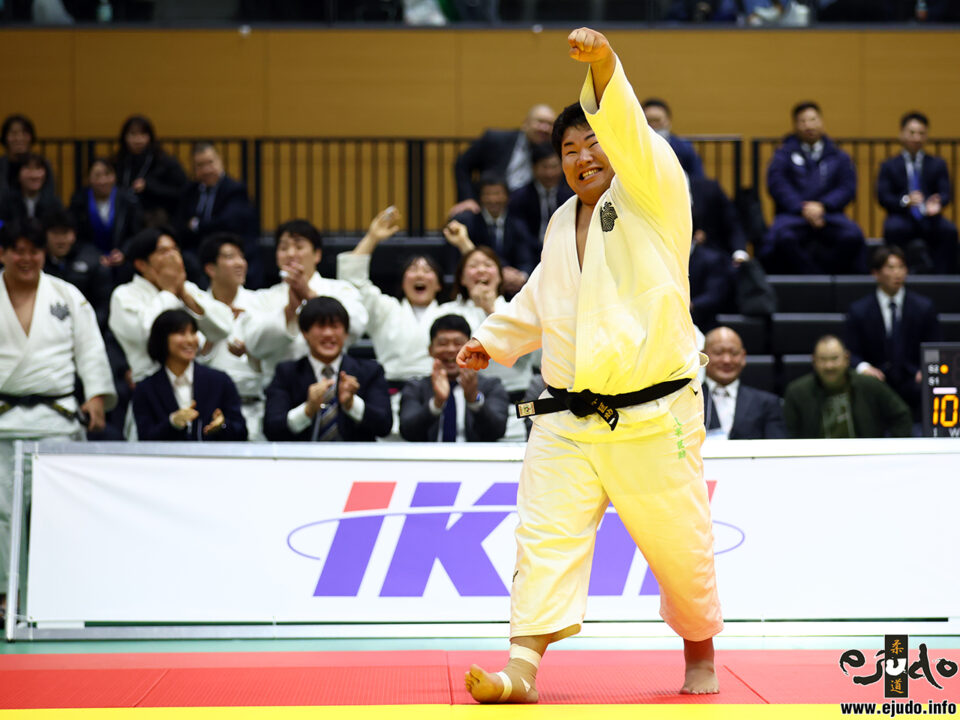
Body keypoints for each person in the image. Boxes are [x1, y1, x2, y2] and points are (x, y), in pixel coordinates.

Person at [457, 28, 722, 702]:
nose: (581, 157)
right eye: (568, 150)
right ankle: (521, 668)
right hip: (568, 415)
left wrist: (603, 66)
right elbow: (543, 296)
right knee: (543, 535)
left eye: (592, 142)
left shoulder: (653, 192)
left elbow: (628, 129)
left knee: (679, 546)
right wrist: (494, 340)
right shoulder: (558, 223)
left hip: (655, 415)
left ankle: (699, 651)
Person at [0, 220, 116, 610]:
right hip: (3, 421)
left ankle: (55, 593)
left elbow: (91, 350)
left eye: (34, 251)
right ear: (2, 254)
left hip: (56, 420)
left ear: (44, 254)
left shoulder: (67, 295)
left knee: (56, 511)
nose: (26, 258)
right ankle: (7, 594)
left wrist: (96, 396)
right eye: (18, 250)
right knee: (1, 515)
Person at [245, 219, 368, 381]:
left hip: (332, 382)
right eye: (283, 248)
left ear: (317, 254)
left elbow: (357, 327)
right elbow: (254, 346)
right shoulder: (262, 298)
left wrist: (310, 295)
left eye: (299, 247)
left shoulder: (341, 289)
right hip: (279, 388)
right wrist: (289, 311)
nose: (290, 254)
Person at [108, 227, 234, 385]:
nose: (173, 256)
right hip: (149, 384)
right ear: (141, 264)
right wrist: (168, 292)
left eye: (175, 249)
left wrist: (185, 296)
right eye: (163, 251)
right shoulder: (124, 295)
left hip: (193, 382)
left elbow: (224, 328)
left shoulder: (187, 289)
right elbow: (148, 334)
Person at [440, 244, 536, 441]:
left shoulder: (517, 309)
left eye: (488, 265)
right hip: (468, 406)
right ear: (462, 278)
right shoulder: (447, 312)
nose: (481, 270)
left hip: (518, 405)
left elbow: (528, 352)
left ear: (500, 276)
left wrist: (490, 310)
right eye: (473, 266)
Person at [263, 296, 392, 442]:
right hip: (302, 455)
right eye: (320, 326)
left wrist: (352, 404)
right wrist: (307, 410)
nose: (328, 333)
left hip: (355, 456)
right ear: (304, 332)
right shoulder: (286, 373)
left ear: (346, 333)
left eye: (335, 326)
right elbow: (271, 429)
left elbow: (384, 426)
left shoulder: (370, 371)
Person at [759, 102, 865, 274]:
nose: (808, 125)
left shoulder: (839, 155)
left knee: (852, 236)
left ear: (822, 122)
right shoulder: (782, 154)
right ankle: (812, 278)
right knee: (782, 239)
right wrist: (803, 208)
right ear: (795, 125)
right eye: (803, 121)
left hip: (830, 214)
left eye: (813, 120)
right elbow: (777, 185)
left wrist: (823, 206)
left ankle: (827, 277)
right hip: (793, 215)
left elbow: (847, 187)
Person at [844, 246, 940, 418]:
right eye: (891, 267)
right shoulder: (859, 310)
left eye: (901, 267)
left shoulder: (924, 308)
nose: (897, 273)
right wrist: (864, 368)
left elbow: (935, 346)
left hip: (913, 381)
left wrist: (926, 369)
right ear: (876, 273)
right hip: (876, 380)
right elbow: (850, 352)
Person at [133, 309, 247, 441]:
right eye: (181, 333)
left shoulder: (220, 381)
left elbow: (242, 432)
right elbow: (145, 438)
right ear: (162, 338)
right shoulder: (146, 389)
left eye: (193, 332)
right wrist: (172, 423)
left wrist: (223, 426)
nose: (190, 340)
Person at [198, 233, 270, 441]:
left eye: (241, 256)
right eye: (230, 257)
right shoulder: (198, 305)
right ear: (210, 269)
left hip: (254, 405)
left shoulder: (260, 303)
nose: (240, 263)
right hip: (209, 406)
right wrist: (217, 325)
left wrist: (251, 349)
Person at [399, 314, 509, 442]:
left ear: (471, 349)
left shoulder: (491, 386)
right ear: (430, 350)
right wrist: (436, 404)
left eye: (458, 343)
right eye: (442, 343)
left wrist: (474, 399)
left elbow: (498, 430)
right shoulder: (415, 387)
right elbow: (407, 432)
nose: (451, 350)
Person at [783, 335, 912, 438]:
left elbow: (902, 415)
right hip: (816, 459)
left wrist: (886, 450)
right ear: (814, 361)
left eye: (834, 358)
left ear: (846, 358)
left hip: (864, 458)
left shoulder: (869, 385)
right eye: (823, 359)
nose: (829, 366)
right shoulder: (797, 392)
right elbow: (788, 434)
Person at [877, 112, 959, 274]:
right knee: (893, 229)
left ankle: (943, 278)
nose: (916, 138)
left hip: (930, 217)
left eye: (921, 133)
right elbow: (883, 196)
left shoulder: (937, 164)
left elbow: (945, 193)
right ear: (901, 134)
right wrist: (905, 201)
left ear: (926, 136)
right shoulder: (889, 165)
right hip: (901, 215)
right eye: (912, 133)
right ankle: (897, 273)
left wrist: (937, 202)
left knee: (949, 231)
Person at [174, 142, 258, 284]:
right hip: (197, 253)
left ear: (220, 161)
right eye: (200, 165)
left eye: (210, 162)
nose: (206, 170)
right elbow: (180, 225)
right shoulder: (189, 191)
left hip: (228, 248)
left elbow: (227, 224)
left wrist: (197, 225)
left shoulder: (235, 189)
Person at [452, 104, 557, 216]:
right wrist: (467, 199)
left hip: (526, 212)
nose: (545, 128)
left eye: (550, 124)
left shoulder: (553, 151)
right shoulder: (495, 139)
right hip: (489, 206)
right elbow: (462, 164)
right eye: (540, 122)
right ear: (525, 123)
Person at [451, 174, 538, 296]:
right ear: (480, 198)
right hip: (477, 288)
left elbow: (526, 259)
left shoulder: (517, 225)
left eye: (497, 193)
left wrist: (521, 276)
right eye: (488, 194)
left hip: (514, 291)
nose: (493, 199)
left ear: (507, 197)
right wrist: (501, 274)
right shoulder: (468, 223)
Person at [702, 326, 786, 439]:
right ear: (703, 355)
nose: (727, 360)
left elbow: (778, 446)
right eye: (718, 353)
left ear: (743, 357)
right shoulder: (685, 399)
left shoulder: (767, 403)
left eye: (734, 353)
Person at [68, 157, 143, 275]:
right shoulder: (79, 201)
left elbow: (136, 234)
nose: (103, 180)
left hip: (122, 257)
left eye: (107, 174)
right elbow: (76, 237)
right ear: (89, 178)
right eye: (97, 175)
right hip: (89, 256)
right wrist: (96, 256)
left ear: (114, 176)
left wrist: (123, 252)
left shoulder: (127, 200)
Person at [41, 209, 113, 327]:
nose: (60, 240)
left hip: (87, 325)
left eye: (65, 233)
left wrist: (87, 328)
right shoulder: (37, 263)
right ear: (45, 235)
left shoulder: (92, 259)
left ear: (74, 235)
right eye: (55, 233)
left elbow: (104, 305)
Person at [114, 114, 189, 227]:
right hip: (124, 213)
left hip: (158, 215)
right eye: (133, 134)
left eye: (143, 134)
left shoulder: (165, 162)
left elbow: (182, 191)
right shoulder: (118, 162)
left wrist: (149, 186)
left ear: (150, 137)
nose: (138, 140)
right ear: (125, 137)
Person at [507, 142, 574, 245]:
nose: (550, 173)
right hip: (530, 249)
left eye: (554, 167)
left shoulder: (570, 196)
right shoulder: (519, 198)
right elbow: (521, 234)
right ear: (533, 168)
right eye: (545, 167)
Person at [640, 98, 704, 179]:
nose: (653, 125)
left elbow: (698, 178)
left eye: (657, 120)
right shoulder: (633, 146)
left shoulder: (684, 148)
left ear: (668, 121)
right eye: (648, 121)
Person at [0, 114, 57, 201]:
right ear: (5, 137)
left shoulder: (43, 163)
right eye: (13, 133)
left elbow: (50, 195)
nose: (19, 138)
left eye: (24, 133)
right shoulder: (2, 165)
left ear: (31, 137)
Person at [0, 153, 63, 226]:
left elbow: (60, 227)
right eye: (28, 168)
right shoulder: (7, 202)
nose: (34, 175)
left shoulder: (54, 203)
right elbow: (1, 224)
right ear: (17, 174)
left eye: (38, 168)